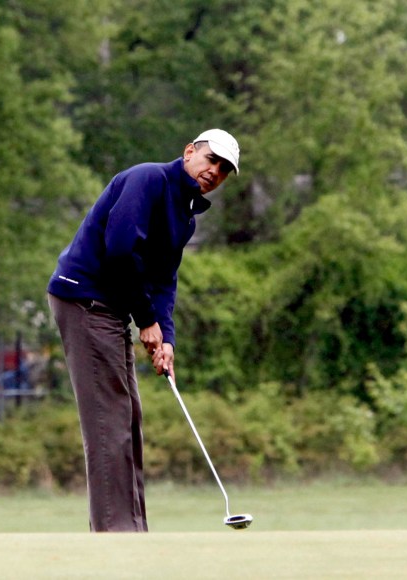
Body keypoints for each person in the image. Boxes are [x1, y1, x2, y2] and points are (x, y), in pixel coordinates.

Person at [47, 129, 239, 532]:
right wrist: (146, 318)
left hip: (112, 306)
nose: (214, 171)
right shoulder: (148, 179)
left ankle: (132, 529)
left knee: (128, 417)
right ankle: (117, 535)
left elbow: (164, 280)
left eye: (223, 170)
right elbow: (120, 249)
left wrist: (165, 336)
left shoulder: (184, 215)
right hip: (86, 300)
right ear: (189, 152)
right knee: (108, 421)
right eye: (210, 160)